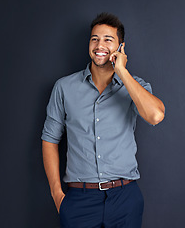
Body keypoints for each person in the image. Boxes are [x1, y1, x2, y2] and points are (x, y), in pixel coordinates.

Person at [41, 12, 165, 228]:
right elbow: (50, 139)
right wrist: (57, 195)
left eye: (108, 39)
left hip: (124, 199)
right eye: (95, 38)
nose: (100, 45)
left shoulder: (135, 86)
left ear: (120, 47)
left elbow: (155, 115)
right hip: (79, 201)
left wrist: (122, 72)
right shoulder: (64, 88)